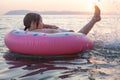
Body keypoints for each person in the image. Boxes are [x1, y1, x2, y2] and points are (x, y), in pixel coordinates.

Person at [23, 5, 101, 35]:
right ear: (33, 23)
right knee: (81, 34)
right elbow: (54, 31)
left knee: (78, 33)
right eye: (41, 21)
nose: (42, 23)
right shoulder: (36, 32)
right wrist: (67, 33)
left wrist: (50, 26)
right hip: (64, 38)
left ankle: (94, 19)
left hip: (62, 35)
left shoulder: (28, 30)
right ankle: (94, 19)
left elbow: (53, 28)